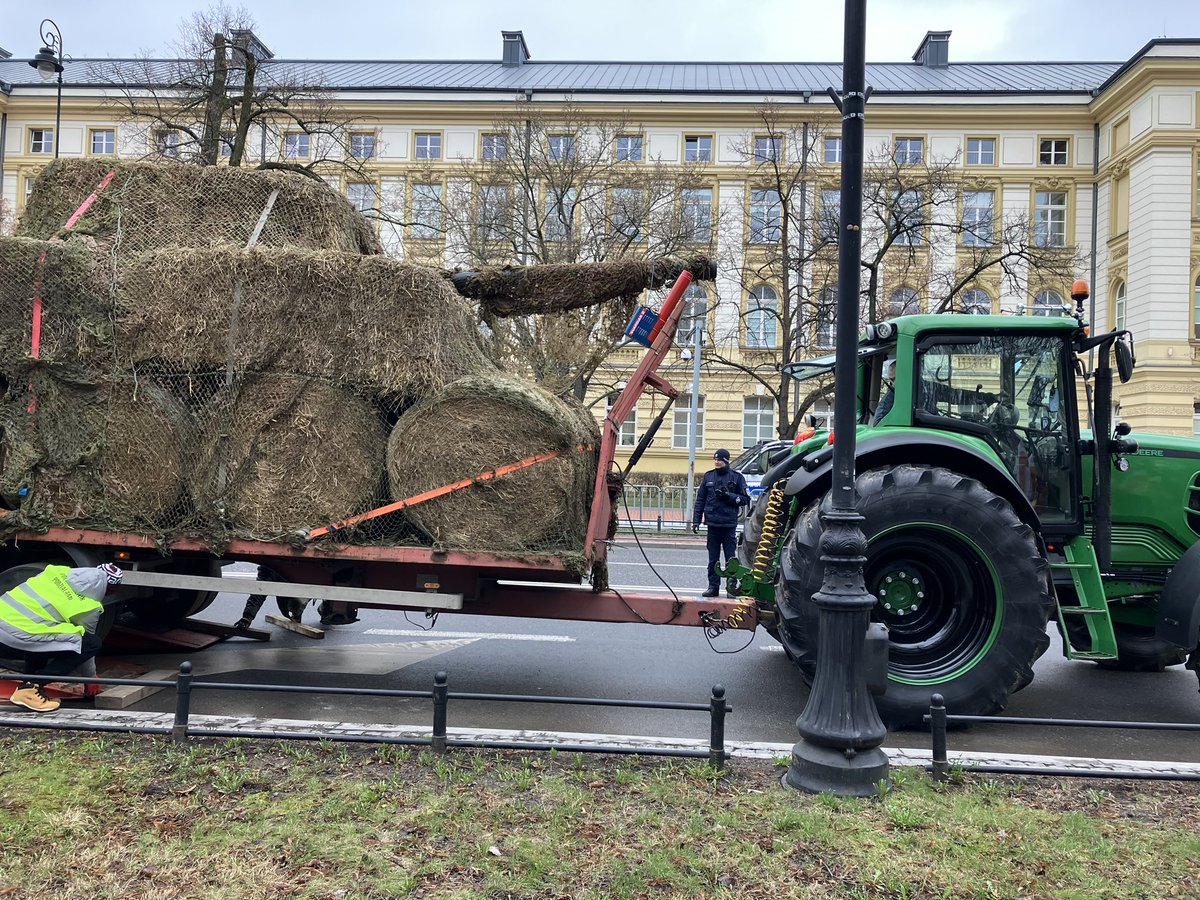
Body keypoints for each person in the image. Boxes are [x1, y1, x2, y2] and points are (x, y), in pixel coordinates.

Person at [0, 563, 123, 713]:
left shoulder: (57, 572)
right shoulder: (89, 605)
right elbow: (83, 645)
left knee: (44, 639)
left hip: (6, 628)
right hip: (13, 637)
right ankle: (30, 688)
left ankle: (31, 687)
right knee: (91, 643)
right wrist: (90, 678)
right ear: (108, 589)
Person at [692, 448, 750, 598]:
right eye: (715, 459)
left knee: (730, 558)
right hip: (712, 524)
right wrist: (696, 520)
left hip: (728, 524)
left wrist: (728, 496)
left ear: (726, 461)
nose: (717, 462)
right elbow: (700, 500)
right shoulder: (709, 476)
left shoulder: (736, 477)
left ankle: (731, 587)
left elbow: (745, 499)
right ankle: (713, 587)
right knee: (713, 559)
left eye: (720, 460)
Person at [234, 565, 307, 630]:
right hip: (276, 568)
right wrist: (247, 617)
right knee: (289, 606)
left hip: (298, 570)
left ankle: (297, 613)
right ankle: (296, 611)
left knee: (295, 604)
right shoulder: (268, 567)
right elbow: (259, 593)